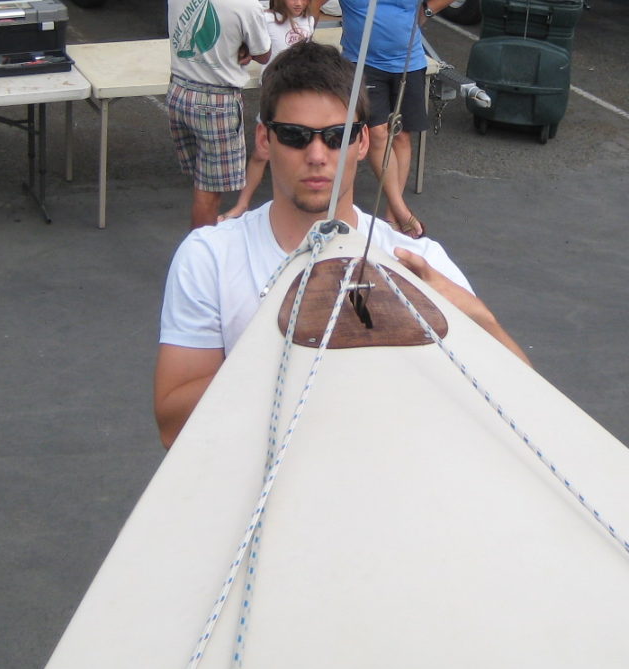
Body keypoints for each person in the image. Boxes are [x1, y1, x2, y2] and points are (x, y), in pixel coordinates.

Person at [154, 41, 527, 449]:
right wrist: (288, 349)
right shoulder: (210, 257)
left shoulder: (417, 262)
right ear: (264, 139)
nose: (317, 154)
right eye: (295, 136)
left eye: (337, 136)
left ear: (363, 142)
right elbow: (173, 426)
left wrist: (468, 312)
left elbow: (525, 403)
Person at [309, 0, 469, 240]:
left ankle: (391, 216)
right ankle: (402, 211)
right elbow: (312, 2)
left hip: (409, 62)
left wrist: (428, 8)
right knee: (378, 133)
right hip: (362, 62)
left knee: (404, 135)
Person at [166, 0, 273, 229]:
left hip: (178, 91)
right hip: (216, 102)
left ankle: (201, 248)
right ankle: (200, 259)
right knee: (209, 193)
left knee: (200, 184)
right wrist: (242, 46)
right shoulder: (246, 4)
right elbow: (263, 52)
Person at [219, 0, 316, 222]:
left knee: (300, 152)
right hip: (274, 94)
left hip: (301, 98)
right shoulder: (267, 19)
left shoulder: (310, 21)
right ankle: (242, 204)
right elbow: (250, 43)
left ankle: (297, 203)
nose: (299, 3)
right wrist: (242, 52)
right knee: (262, 152)